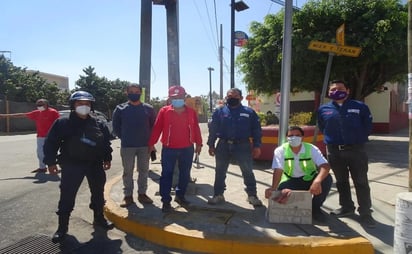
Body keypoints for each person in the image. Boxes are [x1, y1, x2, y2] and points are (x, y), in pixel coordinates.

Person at [43, 91, 114, 243]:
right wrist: (50, 162)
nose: (84, 106)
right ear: (73, 105)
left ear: (91, 106)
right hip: (71, 165)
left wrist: (107, 158)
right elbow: (51, 143)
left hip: (94, 164)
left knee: (98, 193)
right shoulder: (63, 123)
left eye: (87, 104)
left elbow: (105, 143)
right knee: (67, 195)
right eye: (80, 103)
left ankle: (99, 218)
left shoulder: (99, 123)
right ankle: (62, 228)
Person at [317, 79, 375, 228]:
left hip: (356, 150)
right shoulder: (323, 109)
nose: (336, 91)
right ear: (329, 93)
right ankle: (347, 207)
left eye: (340, 88)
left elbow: (367, 126)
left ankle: (365, 213)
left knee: (361, 182)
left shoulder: (360, 107)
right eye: (333, 89)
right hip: (334, 151)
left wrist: (356, 139)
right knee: (341, 181)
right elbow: (323, 127)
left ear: (348, 90)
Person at [148, 85, 202, 213]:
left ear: (184, 97)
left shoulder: (191, 112)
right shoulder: (164, 111)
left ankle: (180, 196)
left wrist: (199, 143)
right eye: (174, 97)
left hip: (187, 149)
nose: (177, 99)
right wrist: (151, 144)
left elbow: (196, 128)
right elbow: (157, 128)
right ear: (170, 99)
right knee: (166, 175)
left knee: (184, 175)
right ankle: (166, 201)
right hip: (169, 149)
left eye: (179, 97)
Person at [207, 88, 263, 207]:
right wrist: (211, 144)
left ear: (241, 98)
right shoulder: (220, 111)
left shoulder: (249, 112)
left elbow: (256, 130)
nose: (231, 98)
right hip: (223, 145)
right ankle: (218, 194)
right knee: (220, 171)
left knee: (247, 171)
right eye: (229, 96)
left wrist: (257, 146)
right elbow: (213, 129)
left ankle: (252, 195)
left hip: (243, 145)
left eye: (235, 96)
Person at [264, 126, 332, 222]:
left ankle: (315, 208)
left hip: (309, 179)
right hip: (290, 180)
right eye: (291, 135)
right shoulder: (280, 150)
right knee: (280, 197)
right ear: (287, 137)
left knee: (327, 179)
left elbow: (325, 166)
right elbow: (278, 170)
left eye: (297, 135)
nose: (294, 138)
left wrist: (317, 181)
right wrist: (273, 189)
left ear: (302, 137)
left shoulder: (311, 148)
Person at [112, 84, 156, 207]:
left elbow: (154, 126)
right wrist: (125, 137)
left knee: (144, 171)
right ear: (127, 93)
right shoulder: (120, 109)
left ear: (140, 93)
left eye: (137, 91)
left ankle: (142, 194)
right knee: (128, 172)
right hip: (127, 146)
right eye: (131, 91)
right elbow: (116, 128)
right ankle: (128, 196)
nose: (134, 93)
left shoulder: (149, 109)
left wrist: (151, 143)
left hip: (145, 146)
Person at [0, 99, 60, 173]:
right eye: (38, 105)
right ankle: (42, 168)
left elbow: (59, 122)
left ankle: (53, 166)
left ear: (47, 104)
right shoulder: (37, 113)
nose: (40, 106)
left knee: (52, 152)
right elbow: (22, 115)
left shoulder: (53, 112)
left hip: (51, 136)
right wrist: (4, 116)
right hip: (40, 137)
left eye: (41, 104)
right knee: (40, 153)